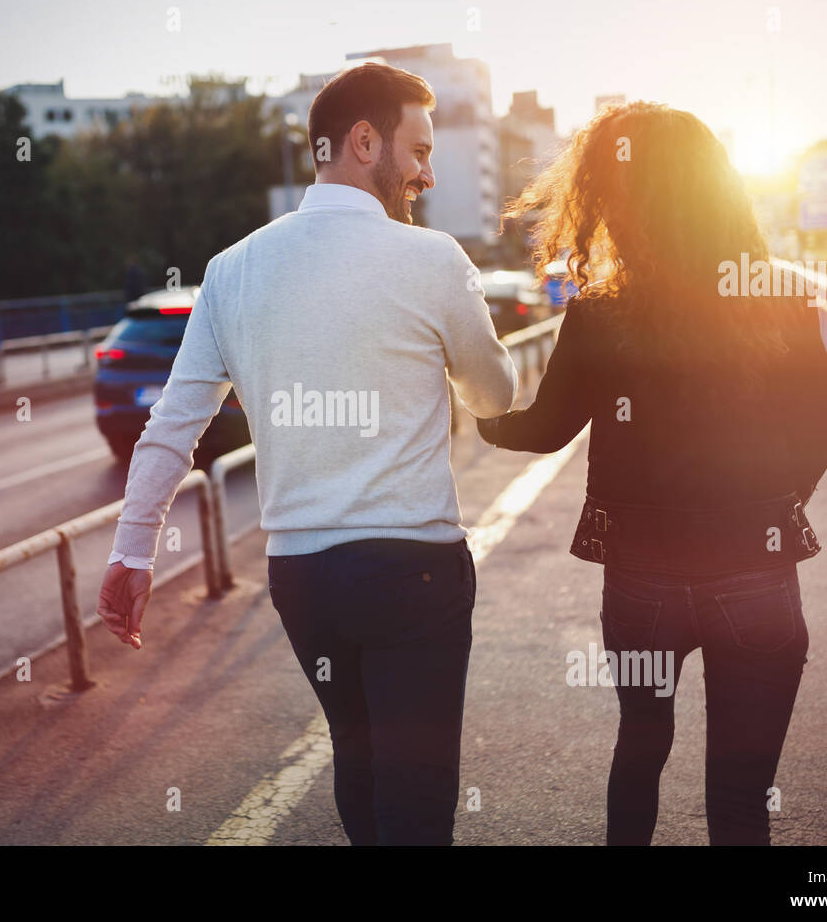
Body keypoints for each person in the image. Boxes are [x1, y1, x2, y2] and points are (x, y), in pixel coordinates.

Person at [96, 62, 518, 845]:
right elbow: (493, 396)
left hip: (304, 579)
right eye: (420, 151)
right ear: (364, 141)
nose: (428, 174)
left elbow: (171, 426)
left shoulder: (231, 270)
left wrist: (132, 552)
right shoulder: (430, 260)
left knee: (357, 760)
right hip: (412, 569)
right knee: (418, 799)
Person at [478, 101, 827, 845]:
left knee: (640, 753)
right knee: (741, 797)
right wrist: (765, 513)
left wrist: (479, 416)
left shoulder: (603, 312)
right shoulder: (777, 295)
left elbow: (546, 431)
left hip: (645, 582)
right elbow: (816, 437)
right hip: (758, 575)